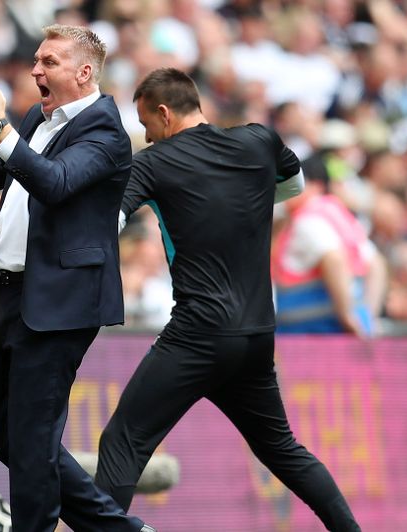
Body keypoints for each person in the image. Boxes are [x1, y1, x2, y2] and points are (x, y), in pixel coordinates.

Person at [0, 24, 152, 532]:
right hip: (10, 294)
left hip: (61, 303)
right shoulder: (38, 122)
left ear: (84, 72)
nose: (35, 69)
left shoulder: (106, 130)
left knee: (32, 442)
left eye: (50, 61)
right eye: (36, 59)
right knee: (11, 442)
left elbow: (56, 184)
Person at [93, 68, 360, 532]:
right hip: (256, 335)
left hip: (198, 334)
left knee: (124, 441)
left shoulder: (153, 163)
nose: (147, 136)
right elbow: (294, 187)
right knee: (282, 449)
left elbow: (107, 222)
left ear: (163, 113)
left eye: (146, 125)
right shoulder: (258, 141)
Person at [271, 152, 386, 337]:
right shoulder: (339, 213)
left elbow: (334, 259)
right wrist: (366, 318)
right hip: (337, 334)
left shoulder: (308, 220)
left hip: (312, 335)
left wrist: (347, 315)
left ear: (315, 184)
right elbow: (376, 263)